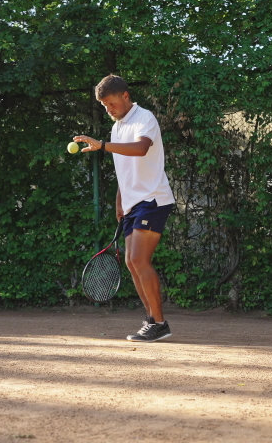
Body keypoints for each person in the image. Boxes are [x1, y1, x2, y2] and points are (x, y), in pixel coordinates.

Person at [74, 75, 176, 342]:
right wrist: (120, 201)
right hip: (133, 203)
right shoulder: (118, 127)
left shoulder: (145, 118)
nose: (108, 109)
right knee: (132, 262)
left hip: (153, 199)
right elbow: (125, 167)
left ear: (126, 96)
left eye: (111, 103)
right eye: (104, 105)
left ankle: (160, 322)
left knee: (139, 260)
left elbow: (141, 149)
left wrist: (102, 146)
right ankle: (151, 320)